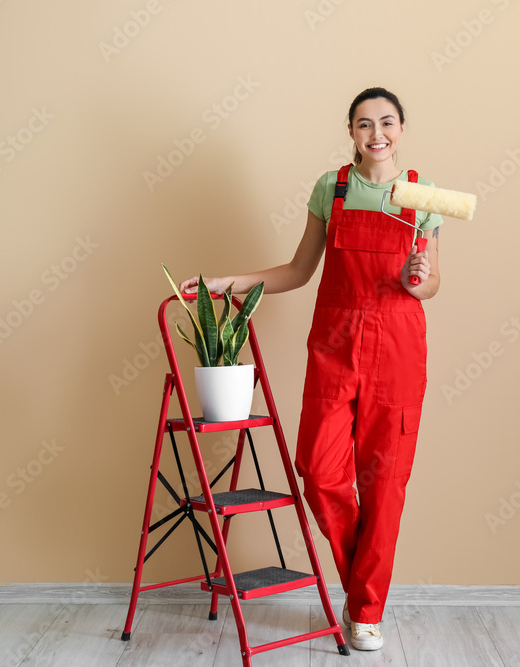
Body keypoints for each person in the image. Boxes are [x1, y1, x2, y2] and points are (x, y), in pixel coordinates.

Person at [177, 87, 442, 652]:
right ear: (351, 132)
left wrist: (420, 273)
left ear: (402, 129)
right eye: (365, 124)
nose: (377, 134)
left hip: (397, 349)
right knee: (320, 473)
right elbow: (299, 270)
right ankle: (360, 589)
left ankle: (365, 612)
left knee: (386, 486)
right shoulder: (333, 189)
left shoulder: (422, 197)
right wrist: (229, 284)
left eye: (387, 122)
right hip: (334, 344)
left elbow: (430, 285)